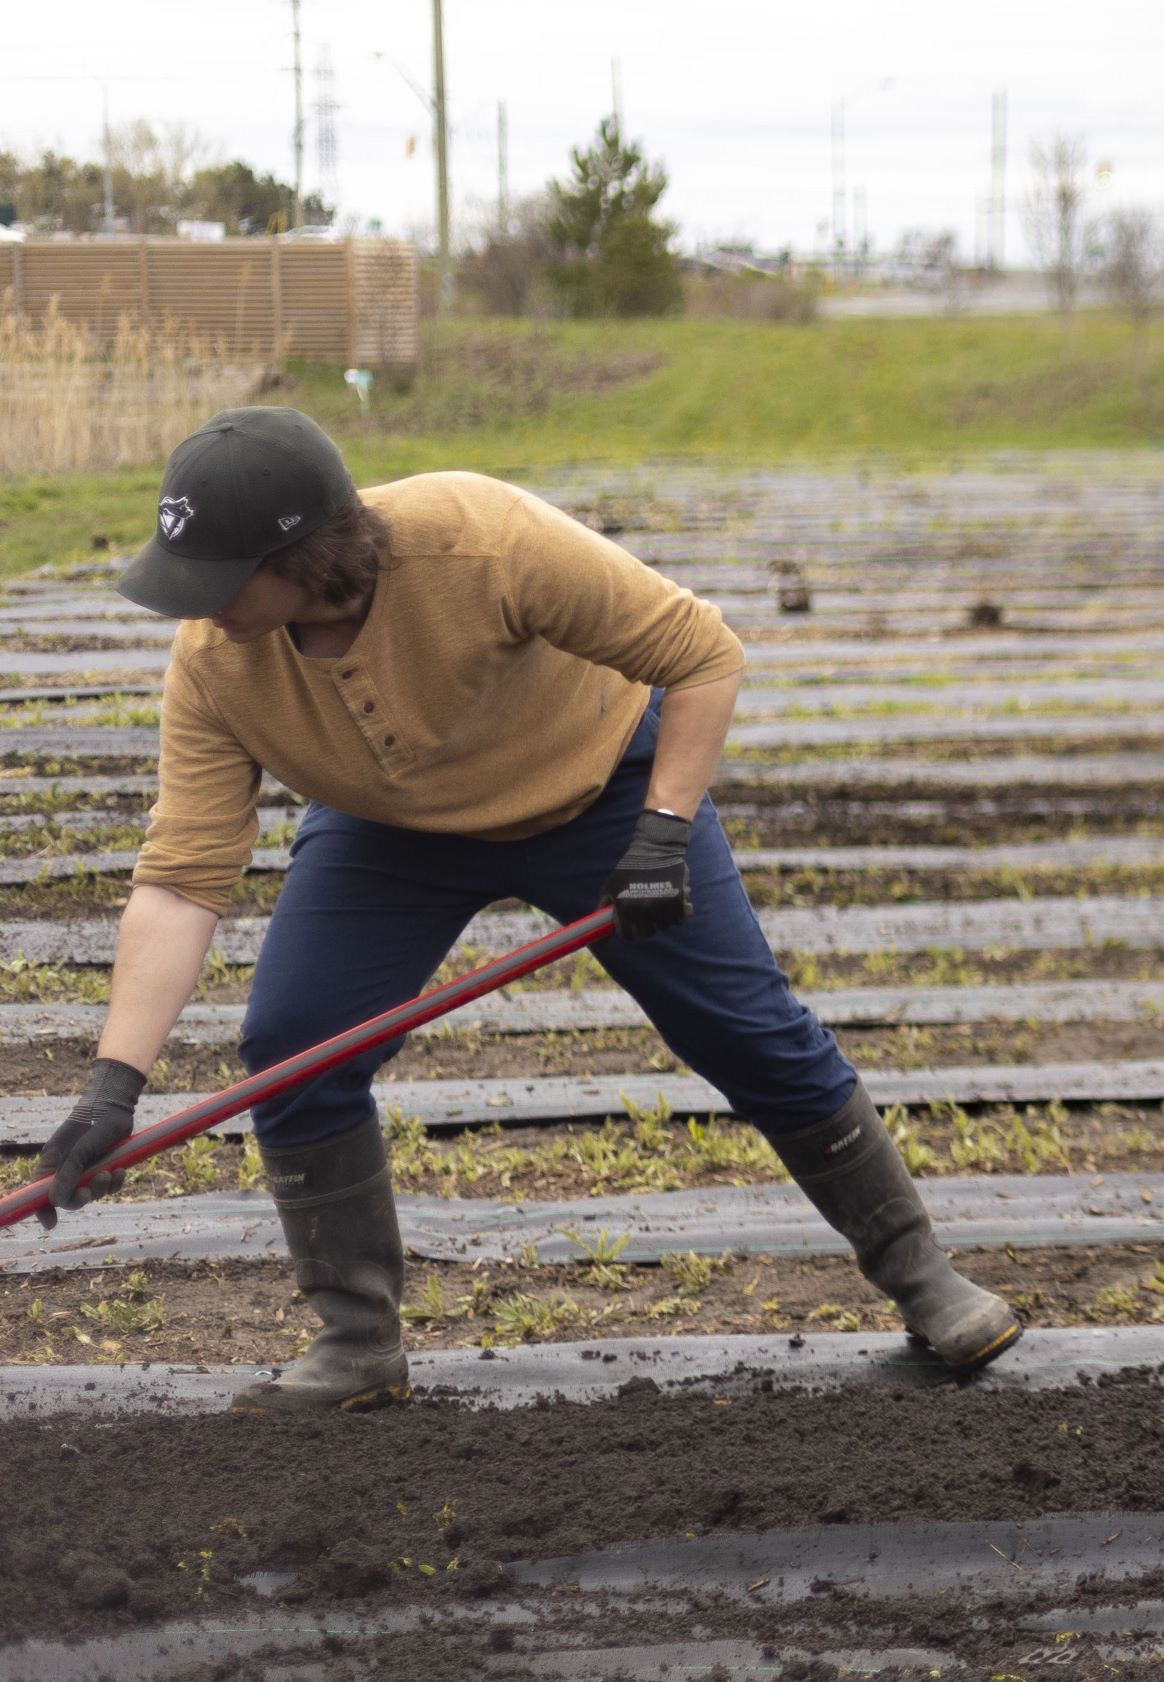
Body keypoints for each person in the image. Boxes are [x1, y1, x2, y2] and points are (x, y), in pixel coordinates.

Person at [32, 408, 1024, 1411]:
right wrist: (113, 1086)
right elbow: (180, 877)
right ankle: (357, 1339)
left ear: (305, 552)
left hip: (600, 791)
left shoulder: (484, 539)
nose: (194, 608)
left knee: (747, 1030)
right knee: (295, 1042)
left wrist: (663, 831)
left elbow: (704, 651)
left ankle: (921, 1274)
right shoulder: (216, 659)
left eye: (217, 577)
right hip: (391, 829)